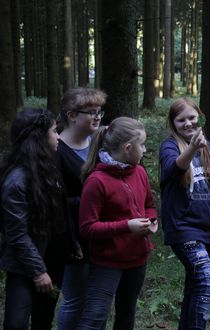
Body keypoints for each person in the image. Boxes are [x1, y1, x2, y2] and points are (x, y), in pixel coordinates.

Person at [159, 97, 210, 330]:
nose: (188, 123)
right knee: (207, 280)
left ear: (200, 117)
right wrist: (192, 146)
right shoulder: (169, 146)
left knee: (195, 286)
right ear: (173, 123)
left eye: (192, 117)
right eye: (181, 120)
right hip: (183, 228)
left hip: (208, 227)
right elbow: (173, 169)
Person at [76, 117, 158, 330]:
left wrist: (151, 220)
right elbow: (87, 227)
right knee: (95, 317)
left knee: (127, 314)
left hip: (138, 259)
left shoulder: (139, 172)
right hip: (107, 263)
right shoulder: (97, 181)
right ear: (128, 148)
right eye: (142, 145)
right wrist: (126, 226)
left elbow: (149, 204)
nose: (145, 149)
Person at [0, 108, 71, 329]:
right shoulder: (17, 181)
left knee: (43, 320)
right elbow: (17, 234)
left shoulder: (46, 167)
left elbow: (61, 210)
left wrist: (72, 242)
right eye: (54, 131)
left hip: (52, 257)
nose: (58, 136)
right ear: (39, 137)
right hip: (25, 264)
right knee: (17, 323)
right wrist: (38, 271)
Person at [56, 87, 107, 329]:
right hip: (72, 235)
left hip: (101, 232)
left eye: (99, 112)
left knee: (96, 299)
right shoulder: (55, 149)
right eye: (91, 112)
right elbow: (54, 200)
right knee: (75, 299)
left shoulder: (99, 144)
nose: (97, 117)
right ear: (71, 115)